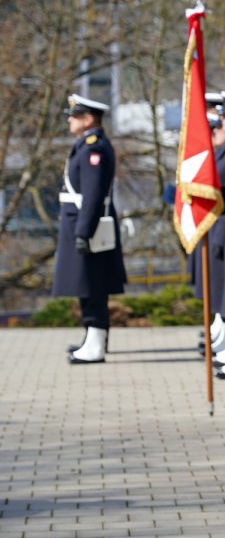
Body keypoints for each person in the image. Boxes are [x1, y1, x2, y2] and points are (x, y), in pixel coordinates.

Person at [54, 94, 127, 364]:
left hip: (89, 225)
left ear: (88, 119)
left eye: (74, 115)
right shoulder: (86, 145)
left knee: (93, 285)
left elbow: (94, 194)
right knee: (86, 284)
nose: (70, 120)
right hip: (81, 222)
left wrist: (84, 231)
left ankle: (95, 344)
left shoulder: (94, 148)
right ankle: (91, 338)